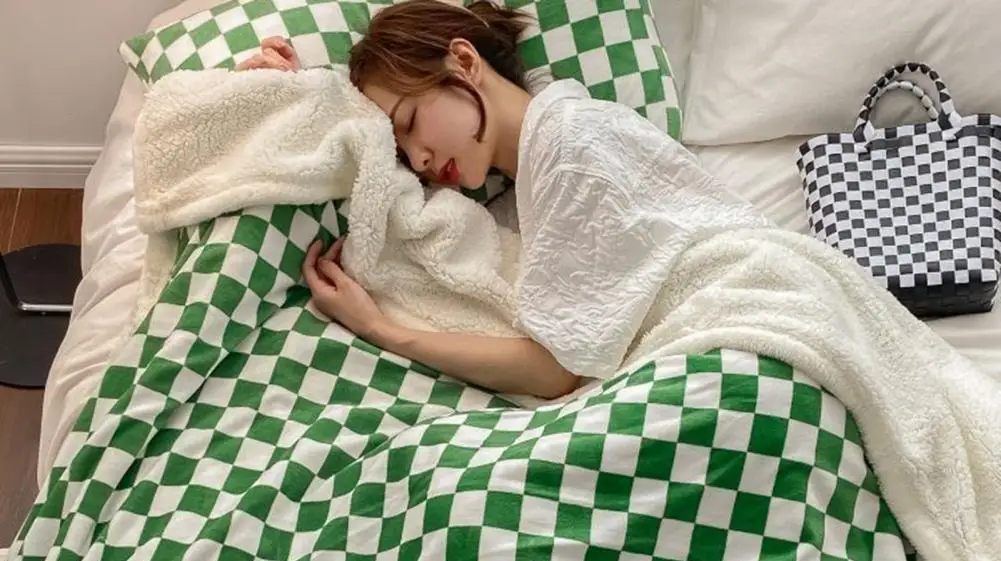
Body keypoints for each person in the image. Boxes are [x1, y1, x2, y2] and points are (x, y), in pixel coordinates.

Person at [236, 0, 752, 399]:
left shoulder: (570, 142)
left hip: (738, 327)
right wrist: (303, 98)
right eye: (402, 151)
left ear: (464, 61)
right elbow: (377, 177)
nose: (418, 159)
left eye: (411, 122)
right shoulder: (519, 194)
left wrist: (378, 329)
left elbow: (556, 371)